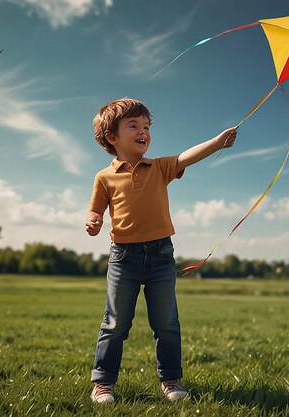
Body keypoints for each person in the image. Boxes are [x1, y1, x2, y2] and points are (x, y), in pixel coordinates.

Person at [85, 97, 237, 404]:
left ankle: (170, 379)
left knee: (166, 322)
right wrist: (93, 220)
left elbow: (186, 157)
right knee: (114, 323)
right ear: (112, 136)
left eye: (146, 126)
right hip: (123, 258)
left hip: (161, 255)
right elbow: (95, 211)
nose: (143, 131)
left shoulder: (159, 167)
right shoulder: (104, 177)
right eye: (134, 126)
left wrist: (217, 142)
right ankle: (103, 383)